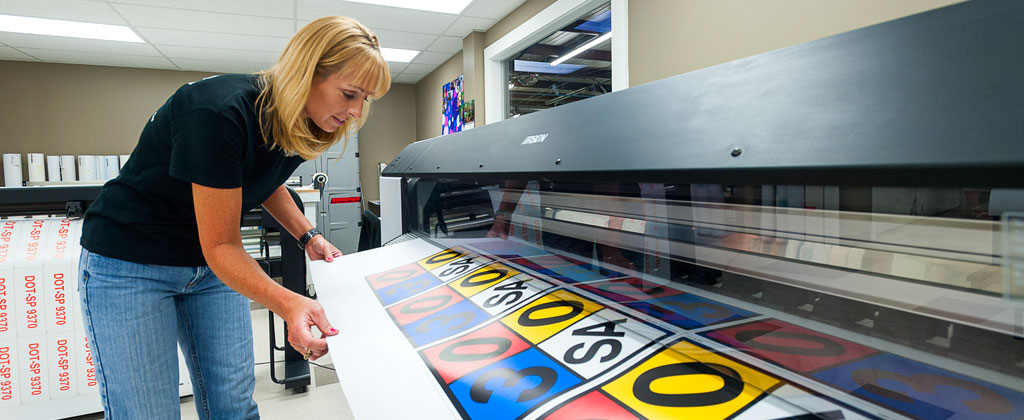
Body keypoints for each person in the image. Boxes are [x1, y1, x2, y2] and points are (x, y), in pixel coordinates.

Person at [77, 16, 390, 419]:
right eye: (349, 94)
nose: (355, 111)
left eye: (365, 99)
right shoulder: (218, 111)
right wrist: (288, 303)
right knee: (148, 413)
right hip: (131, 263)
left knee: (235, 408)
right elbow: (221, 244)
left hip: (211, 271)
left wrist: (308, 236)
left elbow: (264, 181)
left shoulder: (300, 122)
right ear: (305, 73)